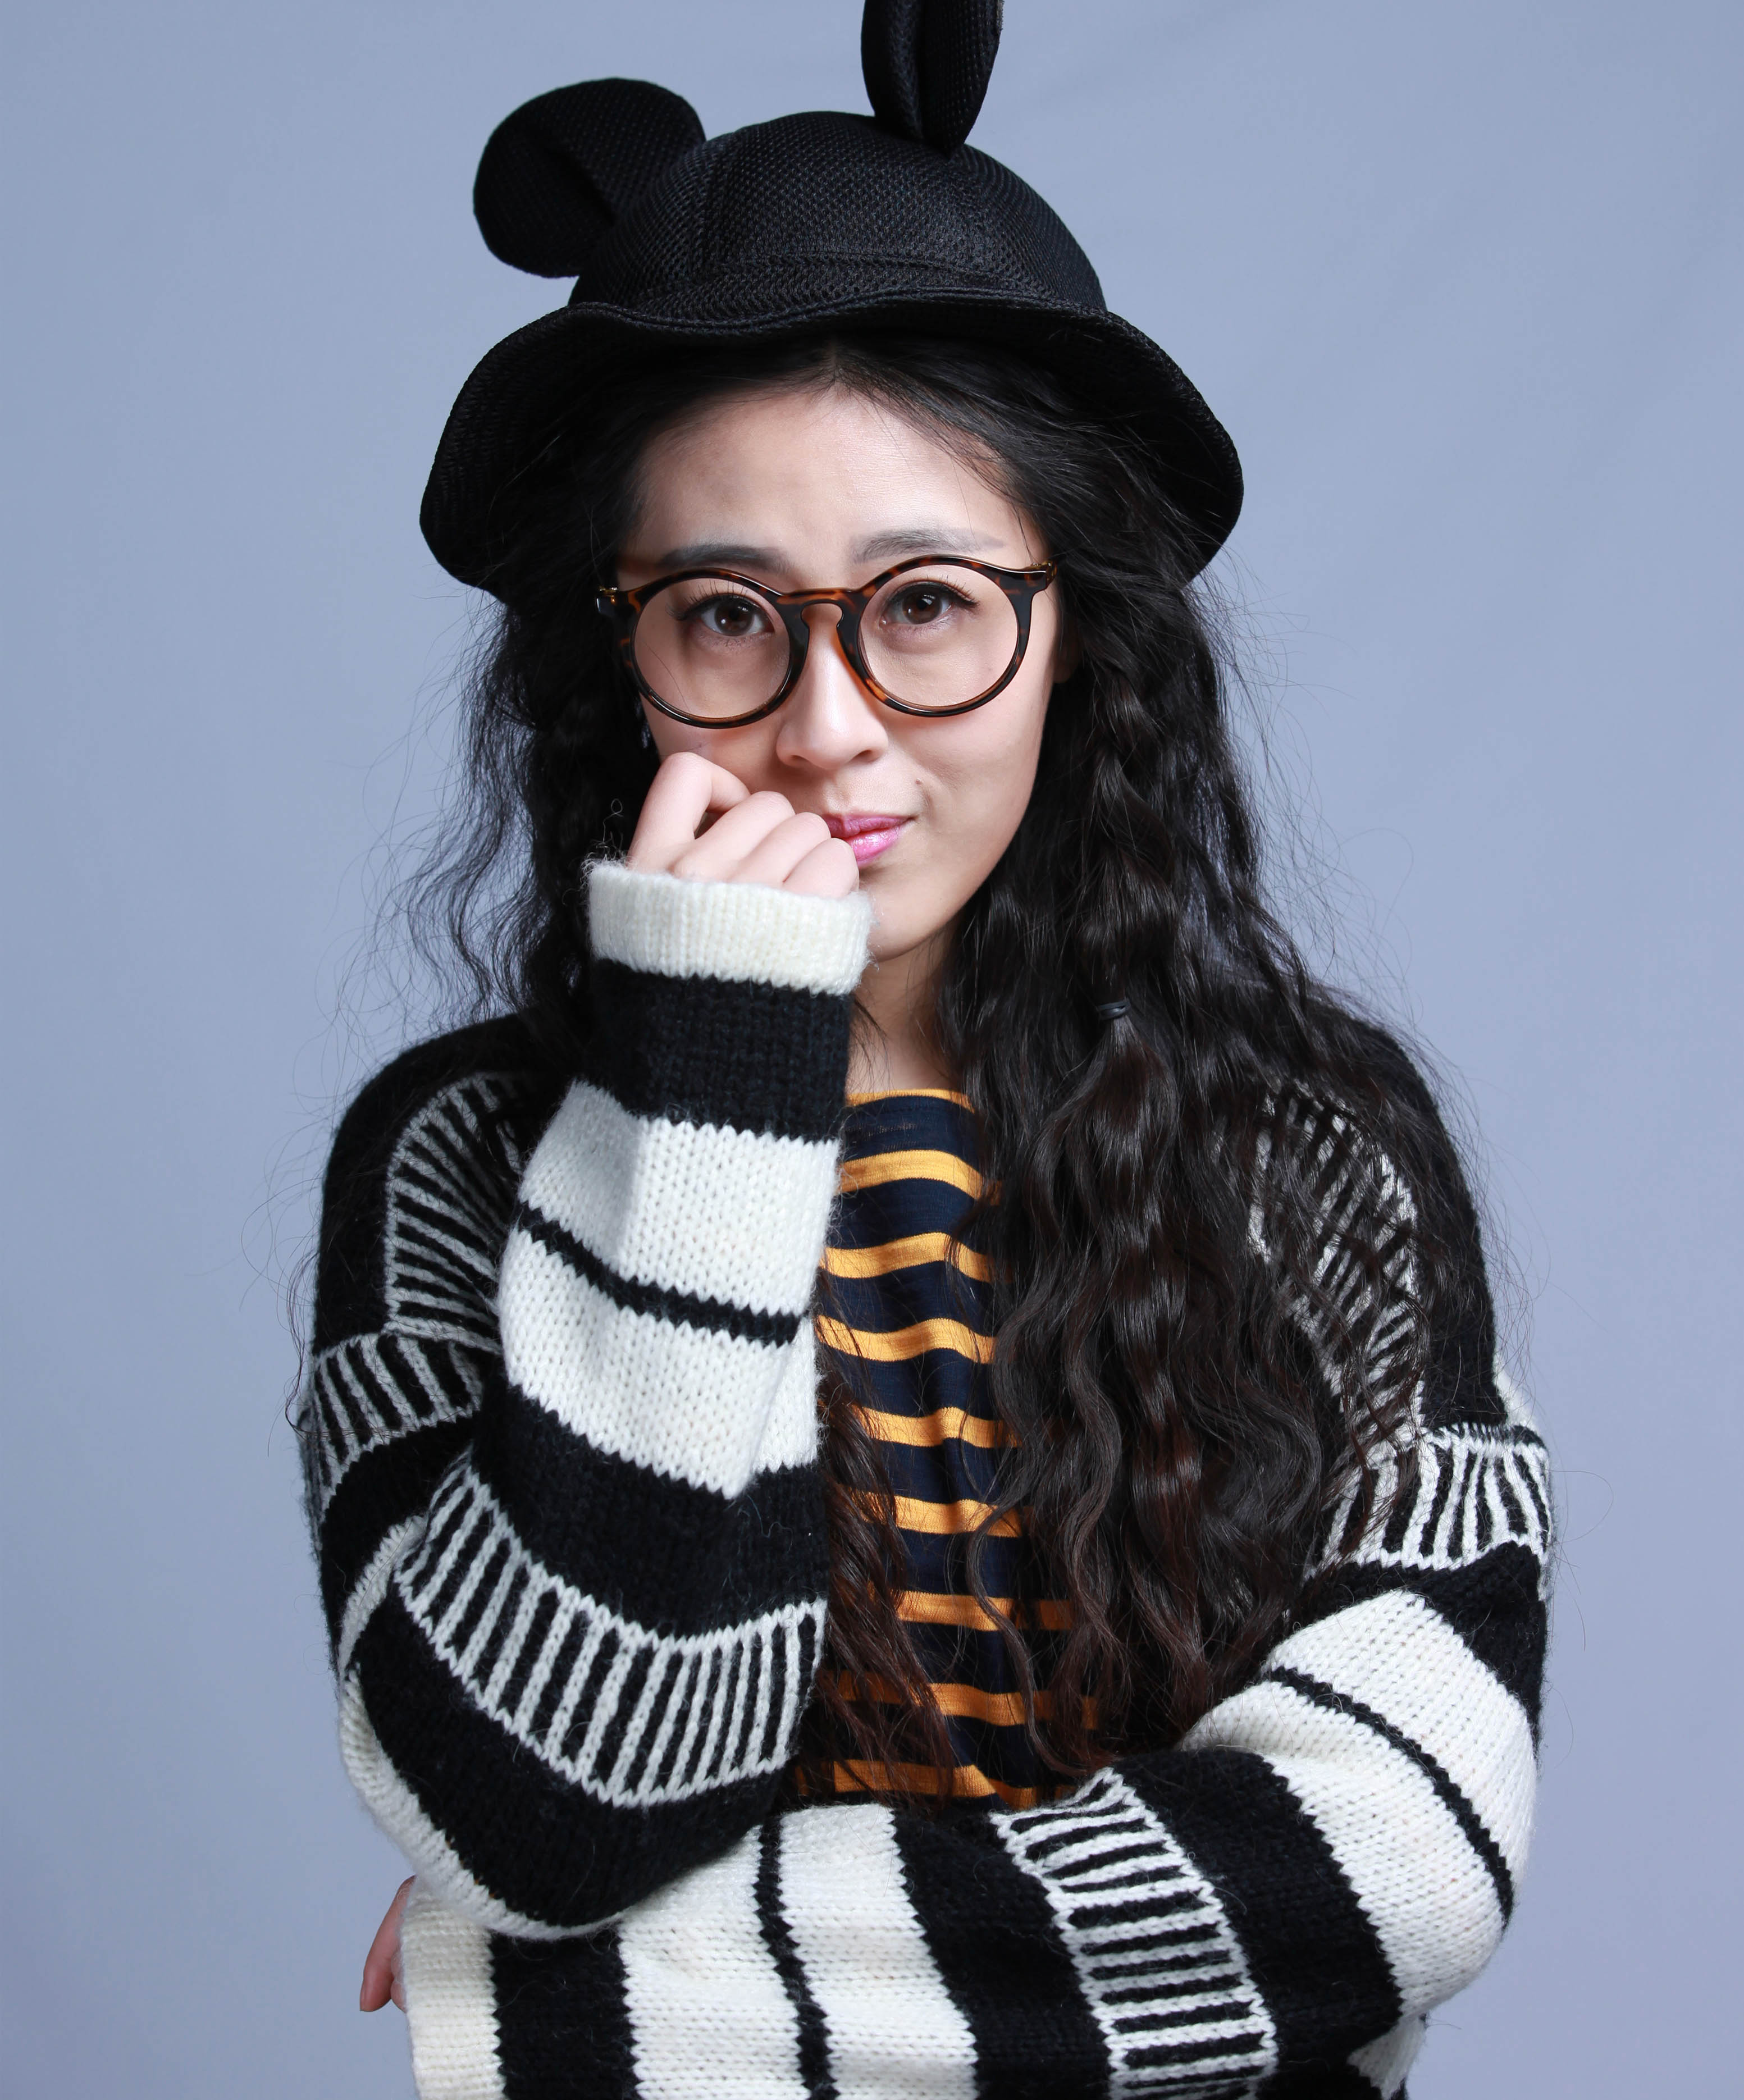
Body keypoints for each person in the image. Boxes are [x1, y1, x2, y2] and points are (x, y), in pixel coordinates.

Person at [298, 7, 1551, 2094]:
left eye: (930, 603)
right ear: (617, 653)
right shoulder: (457, 1163)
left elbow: (1392, 1866)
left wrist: (574, 1997)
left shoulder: (1310, 1151)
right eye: (726, 611)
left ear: (1076, 633)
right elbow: (556, 1805)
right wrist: (707, 1089)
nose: (826, 725)